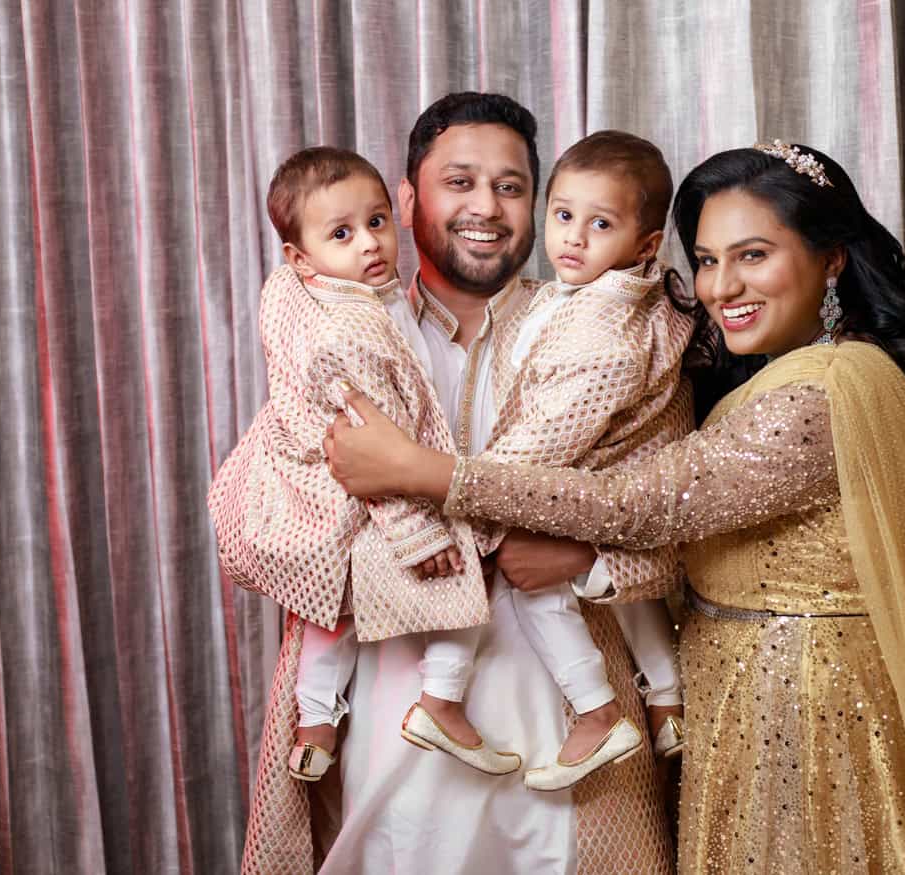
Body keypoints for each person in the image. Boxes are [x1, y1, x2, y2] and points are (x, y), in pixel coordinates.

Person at [324, 141, 905, 873]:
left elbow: (641, 501)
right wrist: (589, 563)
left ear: (832, 258)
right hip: (748, 701)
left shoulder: (825, 392)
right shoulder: (784, 374)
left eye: (753, 255)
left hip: (809, 715)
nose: (722, 285)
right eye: (710, 260)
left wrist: (420, 471)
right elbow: (719, 532)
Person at [234, 95, 676, 874]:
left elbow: (676, 520)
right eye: (459, 181)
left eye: (510, 186)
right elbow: (272, 522)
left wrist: (586, 560)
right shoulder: (341, 339)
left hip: (569, 715)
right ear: (406, 201)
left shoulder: (605, 334)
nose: (486, 207)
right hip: (396, 701)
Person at [488, 130, 698, 785]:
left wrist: (460, 486)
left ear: (644, 246)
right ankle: (666, 700)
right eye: (563, 215)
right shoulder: (592, 296)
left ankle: (595, 709)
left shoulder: (606, 327)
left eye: (599, 223)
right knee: (636, 599)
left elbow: (546, 439)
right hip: (625, 482)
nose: (573, 238)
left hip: (605, 480)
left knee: (533, 582)